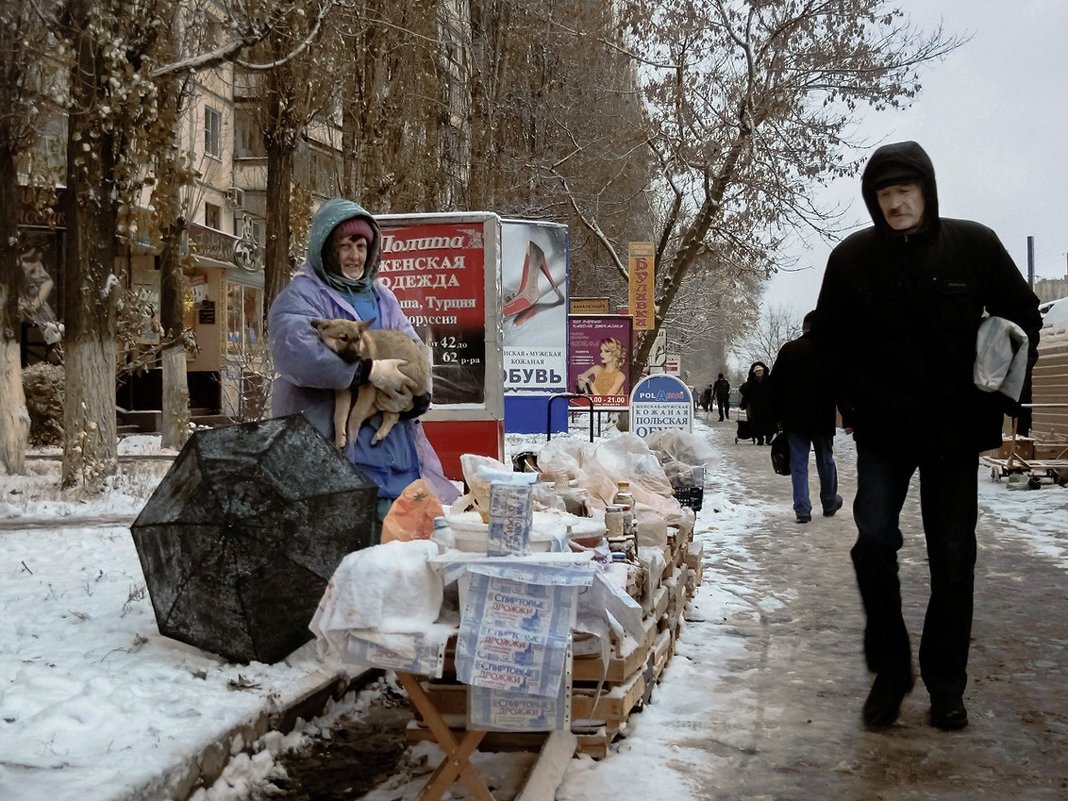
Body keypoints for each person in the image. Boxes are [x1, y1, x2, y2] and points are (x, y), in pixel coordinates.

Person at [812, 141, 1042, 732]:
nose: (895, 203)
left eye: (905, 191)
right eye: (885, 194)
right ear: (873, 200)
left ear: (927, 191)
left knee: (954, 556)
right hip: (886, 433)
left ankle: (946, 685)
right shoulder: (853, 259)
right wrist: (853, 400)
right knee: (873, 542)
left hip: (954, 432)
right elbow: (827, 339)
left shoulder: (973, 245)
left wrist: (1004, 387)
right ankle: (891, 672)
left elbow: (1023, 314)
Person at [268, 198, 459, 540]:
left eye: (361, 245)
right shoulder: (303, 296)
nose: (354, 255)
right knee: (342, 551)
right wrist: (365, 371)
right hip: (329, 451)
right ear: (326, 249)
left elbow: (413, 347)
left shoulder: (383, 298)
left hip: (392, 455)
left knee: (400, 554)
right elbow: (293, 349)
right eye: (344, 245)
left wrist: (419, 395)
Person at [769, 312, 842, 524]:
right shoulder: (830, 351)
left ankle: (802, 508)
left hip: (794, 419)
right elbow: (842, 383)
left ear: (804, 328)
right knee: (825, 460)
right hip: (822, 418)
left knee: (799, 463)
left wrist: (777, 417)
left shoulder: (789, 350)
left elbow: (775, 386)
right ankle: (829, 501)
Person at [738, 361, 775, 445]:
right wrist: (743, 404)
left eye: (760, 371)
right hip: (756, 407)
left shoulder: (769, 381)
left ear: (764, 371)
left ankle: (768, 439)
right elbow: (746, 395)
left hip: (768, 406)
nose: (759, 373)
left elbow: (775, 393)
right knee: (757, 424)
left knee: (770, 424)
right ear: (754, 373)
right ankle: (760, 439)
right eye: (757, 372)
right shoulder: (751, 383)